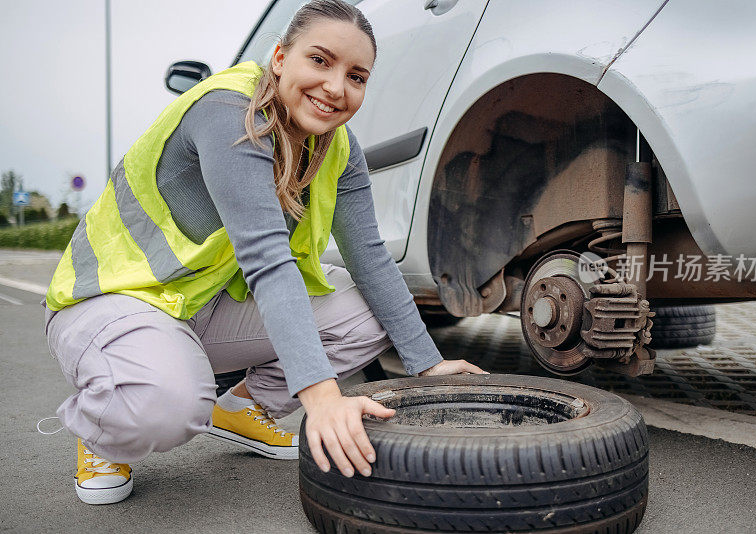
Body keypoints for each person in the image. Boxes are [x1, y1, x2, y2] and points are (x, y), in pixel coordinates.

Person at [44, 0, 486, 506]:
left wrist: (427, 365)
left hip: (201, 305)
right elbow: (268, 260)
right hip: (118, 299)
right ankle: (103, 431)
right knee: (170, 406)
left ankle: (242, 408)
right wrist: (321, 398)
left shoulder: (340, 148)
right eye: (319, 61)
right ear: (279, 57)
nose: (337, 88)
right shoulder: (229, 113)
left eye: (357, 76)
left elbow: (371, 260)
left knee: (369, 309)